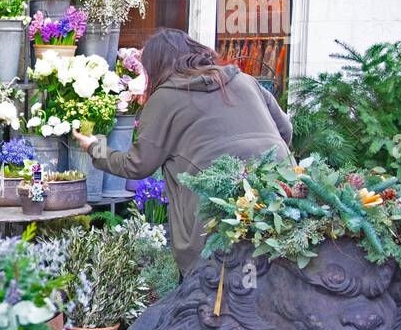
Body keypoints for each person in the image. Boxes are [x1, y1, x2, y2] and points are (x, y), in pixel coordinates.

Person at [71, 28, 293, 276]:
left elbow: (137, 165)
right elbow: (285, 129)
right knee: (269, 279)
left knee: (213, 290)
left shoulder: (166, 97)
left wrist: (94, 146)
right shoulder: (243, 79)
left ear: (155, 67)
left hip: (215, 211)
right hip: (281, 195)